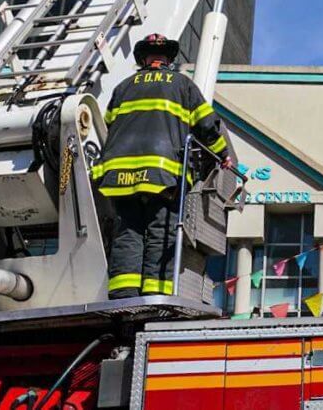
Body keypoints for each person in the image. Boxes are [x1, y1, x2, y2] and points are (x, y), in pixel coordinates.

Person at [94, 33, 235, 299]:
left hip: (118, 174)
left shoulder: (123, 87)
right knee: (162, 231)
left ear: (143, 59)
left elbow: (108, 126)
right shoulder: (182, 84)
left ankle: (124, 292)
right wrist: (222, 154)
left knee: (128, 230)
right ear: (168, 59)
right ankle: (155, 296)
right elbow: (206, 124)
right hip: (162, 173)